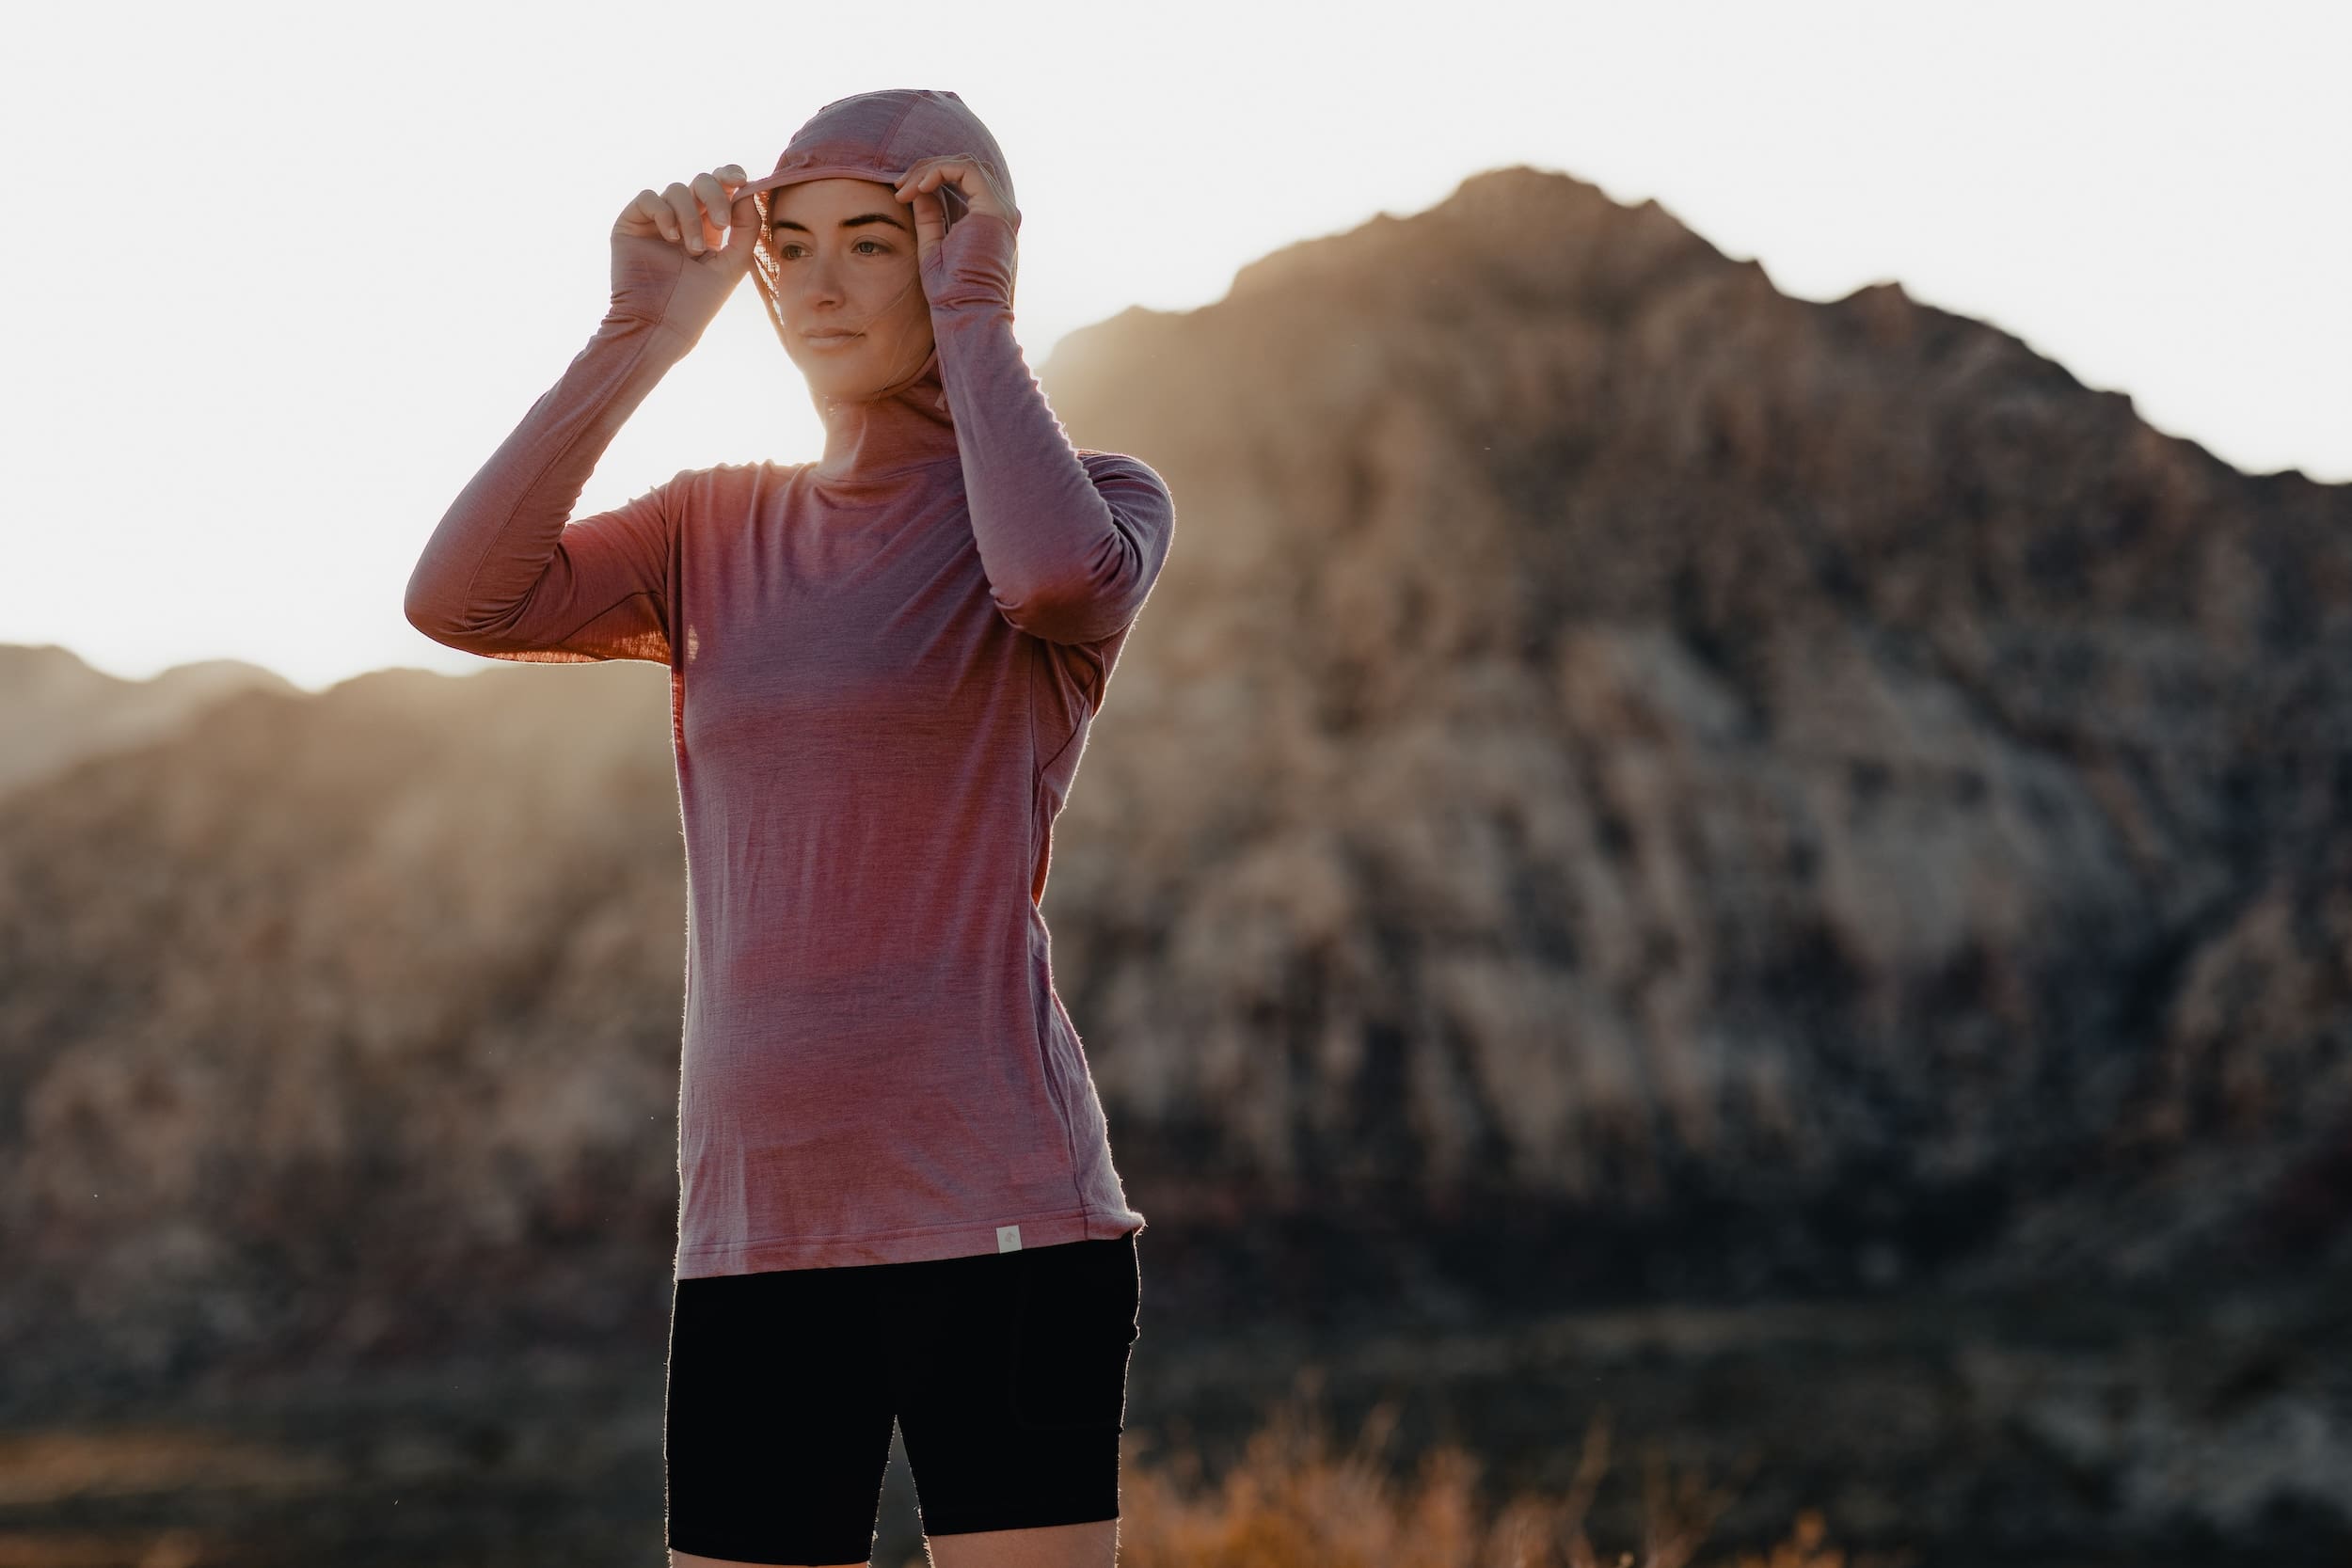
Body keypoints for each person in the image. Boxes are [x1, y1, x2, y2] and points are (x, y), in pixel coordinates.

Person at [403, 87, 1175, 1568]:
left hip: (1000, 1218)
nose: (818, 283)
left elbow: (1058, 589)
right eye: (793, 245)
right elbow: (462, 599)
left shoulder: (1092, 504)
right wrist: (642, 333)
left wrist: (978, 316)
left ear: (960, 251)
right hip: (754, 1230)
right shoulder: (709, 527)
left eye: (873, 242)